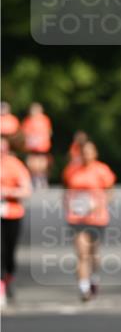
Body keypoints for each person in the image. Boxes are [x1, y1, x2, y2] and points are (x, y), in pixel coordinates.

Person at [63, 140, 116, 301]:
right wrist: (69, 206)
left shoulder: (102, 170)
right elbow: (66, 191)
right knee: (82, 253)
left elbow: (110, 192)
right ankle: (84, 287)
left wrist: (98, 204)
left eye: (89, 152)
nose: (86, 155)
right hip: (77, 217)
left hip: (97, 218)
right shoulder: (71, 170)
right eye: (83, 152)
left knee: (94, 254)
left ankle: (94, 277)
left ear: (95, 153)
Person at [1, 137, 32, 304]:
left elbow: (27, 190)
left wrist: (7, 192)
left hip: (12, 213)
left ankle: (9, 277)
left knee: (9, 251)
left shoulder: (15, 165)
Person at [21, 102, 53, 189]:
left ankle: (42, 179)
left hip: (42, 146)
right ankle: (33, 179)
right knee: (31, 163)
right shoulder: (27, 121)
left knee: (42, 163)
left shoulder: (45, 120)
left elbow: (49, 132)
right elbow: (24, 133)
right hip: (31, 146)